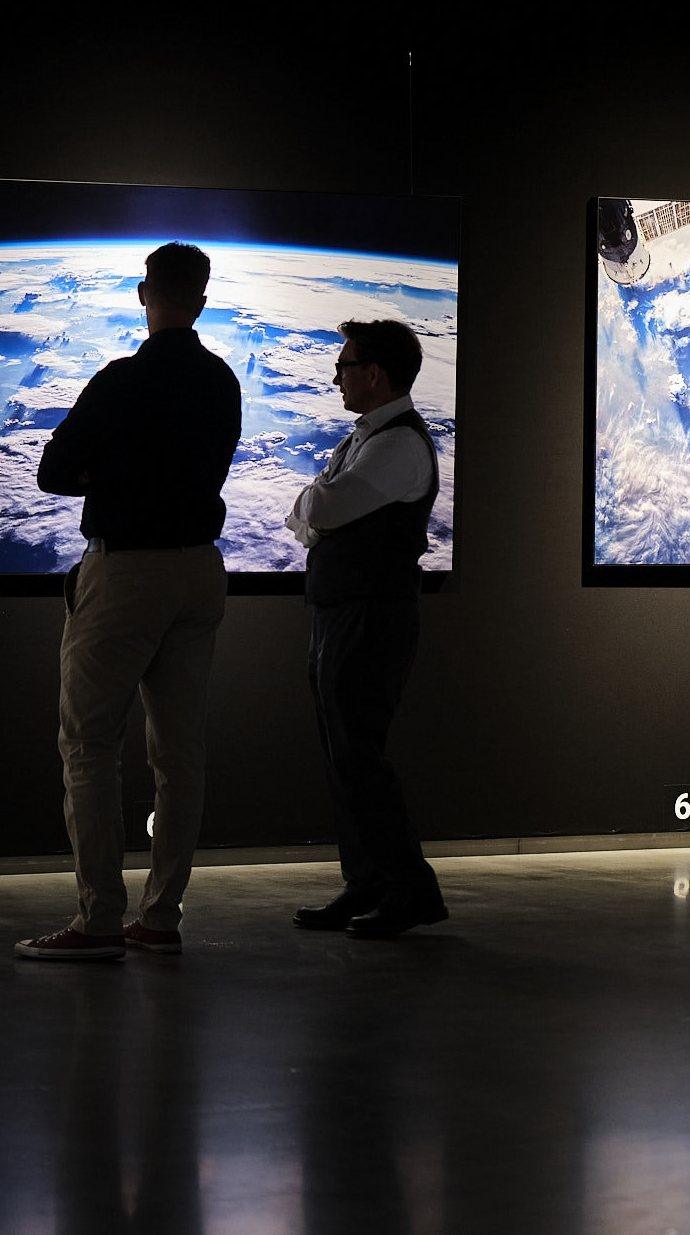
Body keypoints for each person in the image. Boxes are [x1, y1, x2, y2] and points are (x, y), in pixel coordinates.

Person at [15, 242, 242, 960]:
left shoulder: (119, 381)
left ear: (145, 294)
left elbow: (54, 472)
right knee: (179, 753)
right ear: (202, 301)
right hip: (201, 573)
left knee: (89, 745)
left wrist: (113, 478)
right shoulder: (222, 382)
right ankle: (161, 917)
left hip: (126, 578)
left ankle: (99, 921)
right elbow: (203, 471)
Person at [285, 319, 448, 939]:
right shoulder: (369, 437)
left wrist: (315, 501)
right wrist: (316, 504)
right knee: (342, 755)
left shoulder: (398, 444)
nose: (335, 376)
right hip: (343, 611)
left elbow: (318, 509)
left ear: (374, 374)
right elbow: (312, 517)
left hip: (370, 615)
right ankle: (369, 882)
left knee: (359, 755)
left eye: (345, 365)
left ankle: (411, 889)